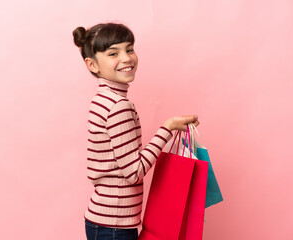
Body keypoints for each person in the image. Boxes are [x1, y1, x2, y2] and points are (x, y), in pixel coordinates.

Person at [72, 22, 199, 240]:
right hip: (114, 226)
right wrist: (167, 128)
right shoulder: (118, 106)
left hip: (105, 221)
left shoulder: (103, 99)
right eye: (113, 53)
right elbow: (133, 172)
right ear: (92, 65)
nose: (126, 58)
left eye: (129, 49)